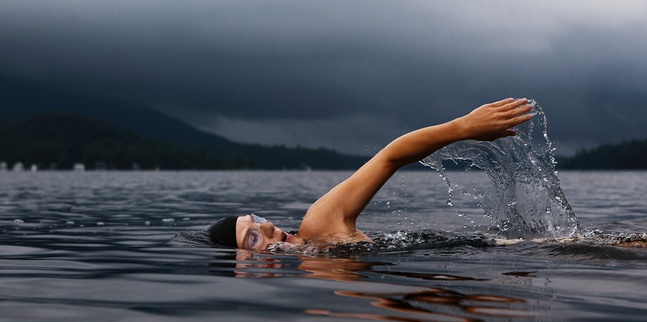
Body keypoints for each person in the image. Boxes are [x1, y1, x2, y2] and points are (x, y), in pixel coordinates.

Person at [208, 97, 534, 250]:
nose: (268, 226)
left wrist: (462, 127)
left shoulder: (319, 226)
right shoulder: (315, 277)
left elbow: (389, 158)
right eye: (252, 237)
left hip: (513, 249)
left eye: (258, 220)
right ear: (244, 267)